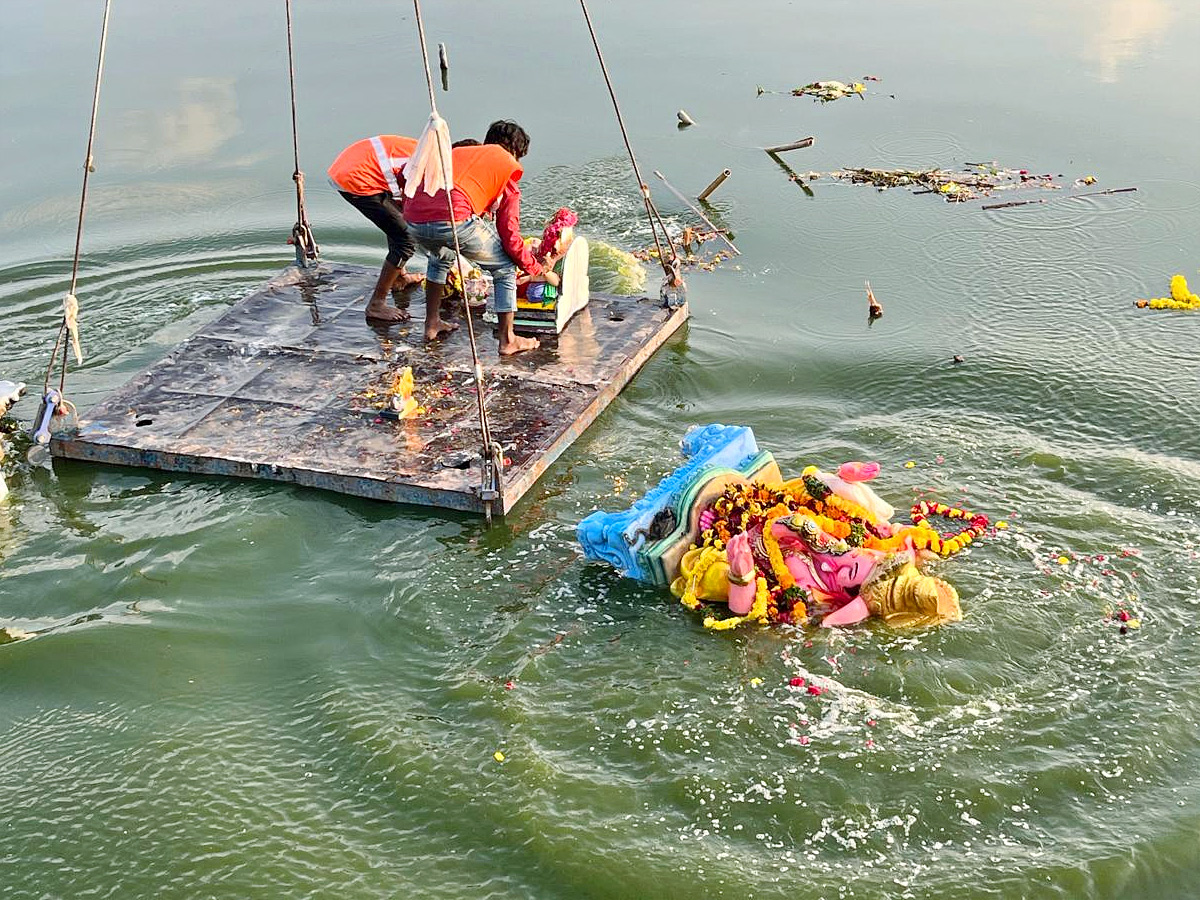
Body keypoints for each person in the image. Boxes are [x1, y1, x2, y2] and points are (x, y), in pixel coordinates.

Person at [403, 120, 558, 355]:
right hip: (452, 220)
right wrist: (535, 268)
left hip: (413, 218)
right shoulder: (504, 165)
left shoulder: (460, 152)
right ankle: (508, 340)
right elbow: (509, 233)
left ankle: (431, 324)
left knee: (440, 258)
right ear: (515, 152)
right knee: (505, 267)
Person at [327, 134, 426, 324]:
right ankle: (376, 304)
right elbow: (411, 208)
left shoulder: (433, 154)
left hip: (354, 166)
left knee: (397, 223)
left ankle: (399, 279)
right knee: (406, 240)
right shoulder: (427, 168)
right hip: (356, 177)